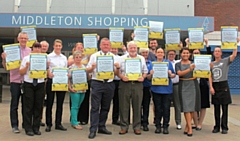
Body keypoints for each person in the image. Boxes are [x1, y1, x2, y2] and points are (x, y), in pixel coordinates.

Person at [86, 38, 119, 139]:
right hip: (97, 83)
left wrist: (117, 68)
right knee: (95, 107)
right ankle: (93, 129)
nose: (106, 46)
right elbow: (87, 70)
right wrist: (92, 68)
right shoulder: (94, 56)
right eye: (104, 44)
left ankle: (102, 126)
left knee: (106, 107)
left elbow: (117, 74)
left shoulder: (114, 57)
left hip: (109, 83)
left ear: (110, 46)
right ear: (100, 46)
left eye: (107, 45)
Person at [1, 32, 31, 133]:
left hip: (26, 81)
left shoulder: (30, 51)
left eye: (25, 38)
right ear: (18, 39)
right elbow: (5, 67)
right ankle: (14, 125)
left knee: (26, 105)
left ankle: (25, 124)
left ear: (27, 40)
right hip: (15, 81)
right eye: (21, 38)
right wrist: (4, 59)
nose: (23, 40)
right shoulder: (11, 50)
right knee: (14, 104)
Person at [117, 41, 148, 135]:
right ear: (127, 48)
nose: (133, 49)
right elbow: (117, 71)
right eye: (131, 47)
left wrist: (143, 77)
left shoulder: (141, 58)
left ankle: (137, 127)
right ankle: (124, 127)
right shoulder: (122, 58)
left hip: (138, 84)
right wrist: (122, 77)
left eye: (134, 47)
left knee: (137, 106)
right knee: (124, 106)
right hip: (125, 84)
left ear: (137, 48)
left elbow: (145, 71)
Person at [210, 38, 239, 134]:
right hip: (215, 86)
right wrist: (211, 87)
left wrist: (236, 43)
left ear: (221, 53)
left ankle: (224, 127)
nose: (217, 53)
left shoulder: (225, 61)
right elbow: (209, 76)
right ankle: (217, 126)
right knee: (216, 109)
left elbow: (234, 55)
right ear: (213, 53)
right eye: (216, 51)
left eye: (219, 51)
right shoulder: (211, 64)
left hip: (224, 86)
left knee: (225, 108)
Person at [19, 42, 46, 136]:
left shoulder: (44, 58)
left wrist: (47, 66)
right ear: (32, 48)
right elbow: (21, 72)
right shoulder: (26, 58)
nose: (37, 49)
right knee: (28, 106)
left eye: (39, 47)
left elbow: (48, 73)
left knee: (38, 106)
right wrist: (26, 66)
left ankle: (36, 127)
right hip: (29, 83)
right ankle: (28, 128)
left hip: (40, 83)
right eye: (36, 47)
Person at [175, 48, 201, 137]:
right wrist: (190, 69)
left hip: (193, 84)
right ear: (181, 54)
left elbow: (201, 72)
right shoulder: (177, 64)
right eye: (183, 53)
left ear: (189, 54)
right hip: (183, 85)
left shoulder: (194, 63)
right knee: (186, 107)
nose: (185, 54)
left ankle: (187, 126)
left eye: (187, 53)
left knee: (192, 107)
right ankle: (190, 128)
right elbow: (179, 73)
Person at [149, 48, 175, 134]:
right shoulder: (152, 64)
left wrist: (170, 74)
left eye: (161, 52)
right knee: (157, 108)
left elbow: (173, 75)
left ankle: (165, 126)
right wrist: (150, 74)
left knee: (166, 108)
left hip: (167, 90)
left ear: (164, 54)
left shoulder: (168, 63)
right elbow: (148, 78)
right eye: (158, 52)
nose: (160, 54)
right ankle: (158, 126)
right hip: (156, 89)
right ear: (156, 54)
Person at [45, 39, 68, 132]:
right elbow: (45, 68)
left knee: (60, 104)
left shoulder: (64, 58)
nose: (58, 47)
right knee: (49, 103)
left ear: (61, 47)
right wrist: (48, 73)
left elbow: (65, 69)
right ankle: (48, 124)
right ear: (53, 46)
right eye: (56, 45)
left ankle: (58, 123)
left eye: (59, 46)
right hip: (51, 81)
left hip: (61, 82)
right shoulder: (48, 56)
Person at [68, 42, 91, 125]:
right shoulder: (71, 67)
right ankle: (74, 122)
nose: (78, 58)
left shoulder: (84, 67)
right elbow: (68, 79)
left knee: (78, 105)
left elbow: (88, 78)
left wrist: (89, 73)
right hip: (74, 89)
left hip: (83, 89)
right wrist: (69, 87)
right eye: (76, 57)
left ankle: (75, 120)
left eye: (79, 57)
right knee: (74, 106)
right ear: (74, 58)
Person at [167, 50, 181, 130]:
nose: (171, 55)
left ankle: (178, 122)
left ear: (175, 55)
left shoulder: (178, 63)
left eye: (173, 54)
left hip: (176, 85)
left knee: (177, 104)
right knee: (166, 105)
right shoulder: (165, 63)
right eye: (170, 54)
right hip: (166, 85)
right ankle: (166, 121)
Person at [139, 48, 152, 131]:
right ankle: (138, 121)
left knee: (146, 105)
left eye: (146, 52)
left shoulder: (151, 63)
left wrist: (148, 75)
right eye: (143, 52)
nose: (144, 54)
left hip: (147, 86)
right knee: (138, 105)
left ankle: (145, 122)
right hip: (138, 85)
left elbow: (151, 75)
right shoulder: (137, 61)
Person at [39, 40, 50, 127]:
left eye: (45, 46)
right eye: (42, 46)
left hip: (46, 80)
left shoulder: (48, 57)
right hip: (37, 81)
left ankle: (39, 118)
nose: (44, 48)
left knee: (42, 101)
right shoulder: (35, 56)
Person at [110, 48, 121, 126]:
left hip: (118, 81)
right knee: (106, 101)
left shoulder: (120, 58)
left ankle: (115, 119)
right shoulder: (107, 57)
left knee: (117, 101)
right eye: (112, 49)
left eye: (115, 49)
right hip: (109, 81)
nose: (114, 50)